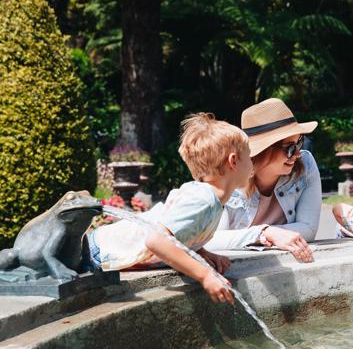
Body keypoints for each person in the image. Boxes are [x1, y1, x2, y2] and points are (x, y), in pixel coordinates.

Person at [84, 113, 253, 304]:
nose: (252, 162)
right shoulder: (204, 200)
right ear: (233, 161)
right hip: (100, 251)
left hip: (102, 247)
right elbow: (157, 241)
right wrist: (205, 276)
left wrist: (201, 252)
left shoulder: (209, 198)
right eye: (249, 155)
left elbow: (180, 234)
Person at [204, 98, 322, 263]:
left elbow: (309, 228)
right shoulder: (227, 178)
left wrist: (265, 234)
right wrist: (266, 234)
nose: (297, 154)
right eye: (289, 147)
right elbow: (210, 240)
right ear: (262, 150)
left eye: (299, 143)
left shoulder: (306, 165)